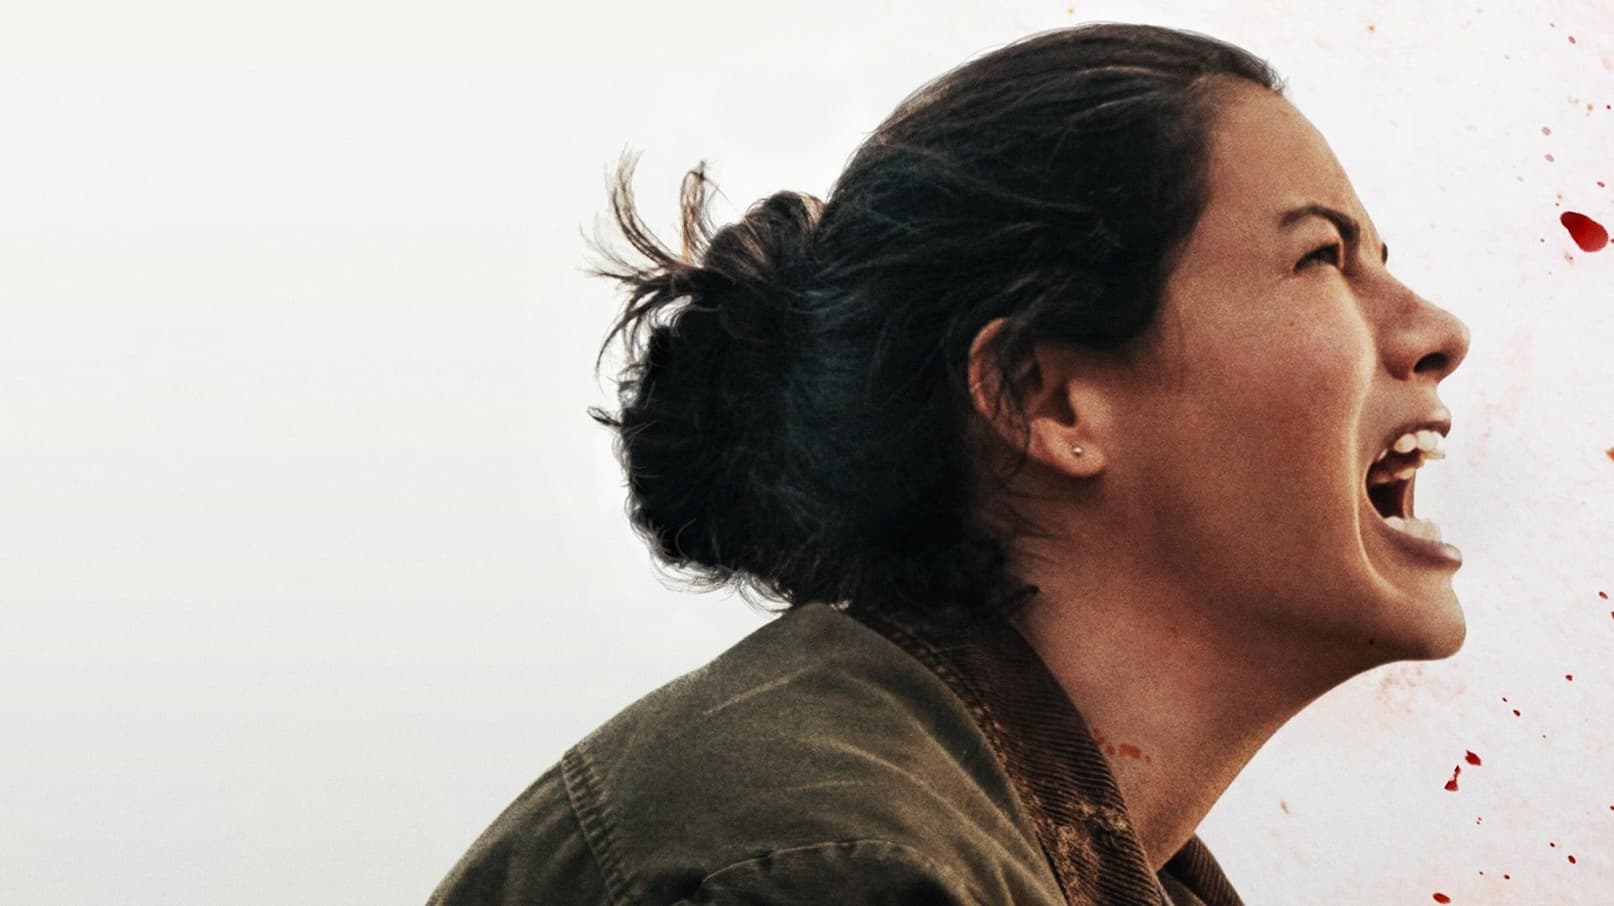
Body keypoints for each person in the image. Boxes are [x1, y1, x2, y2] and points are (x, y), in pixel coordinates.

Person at [428, 22, 1470, 906]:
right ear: (1044, 398)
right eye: (1322, 257)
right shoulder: (833, 868)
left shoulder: (999, 843)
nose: (1437, 332)